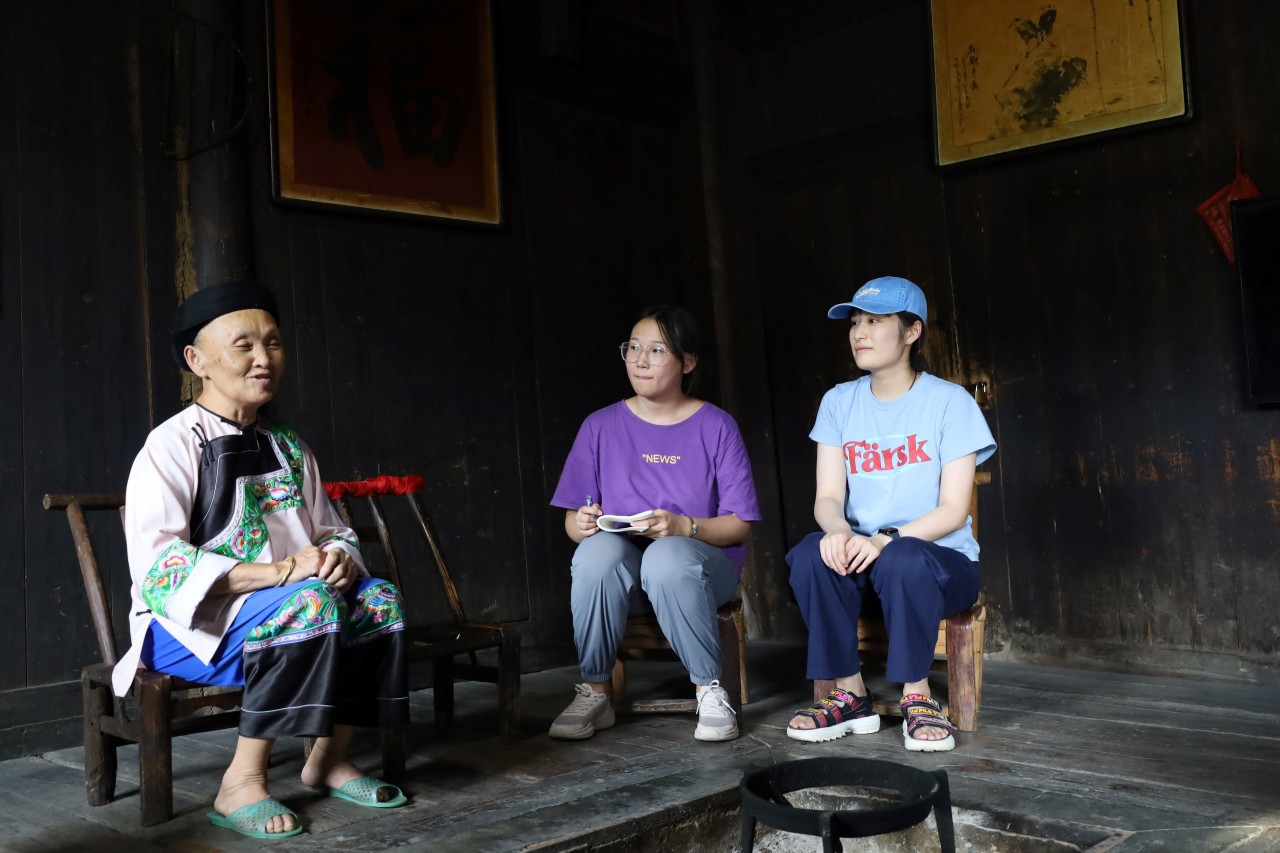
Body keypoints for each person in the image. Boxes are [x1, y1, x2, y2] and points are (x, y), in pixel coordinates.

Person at [117, 280, 410, 840]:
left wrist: (341, 557)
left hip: (291, 611)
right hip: (186, 627)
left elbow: (333, 531)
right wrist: (281, 573)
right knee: (309, 603)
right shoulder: (170, 445)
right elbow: (159, 571)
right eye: (244, 345)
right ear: (197, 361)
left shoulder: (288, 444)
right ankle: (240, 783)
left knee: (378, 601)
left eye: (273, 343)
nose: (264, 358)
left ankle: (327, 759)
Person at [785, 276, 995, 752]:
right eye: (855, 322)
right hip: (863, 562)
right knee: (813, 552)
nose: (859, 332)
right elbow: (827, 497)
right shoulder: (839, 402)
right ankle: (850, 694)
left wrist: (886, 538)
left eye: (875, 322)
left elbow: (952, 510)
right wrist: (838, 532)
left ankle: (917, 697)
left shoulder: (950, 403)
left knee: (903, 558)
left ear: (911, 332)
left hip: (940, 565)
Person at [548, 305, 760, 742]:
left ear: (688, 361)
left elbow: (739, 525)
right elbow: (571, 521)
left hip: (702, 566)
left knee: (666, 556)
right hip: (625, 571)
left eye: (657, 350)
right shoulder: (599, 426)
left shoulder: (716, 426)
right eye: (633, 348)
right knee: (595, 553)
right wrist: (583, 523)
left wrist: (684, 527)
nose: (640, 360)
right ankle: (595, 693)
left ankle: (709, 690)